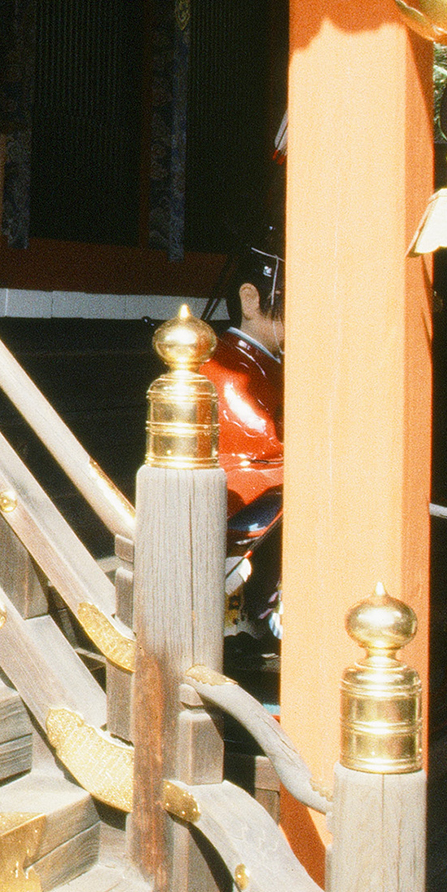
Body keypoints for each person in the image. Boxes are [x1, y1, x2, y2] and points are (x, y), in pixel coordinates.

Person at [203, 247, 285, 660]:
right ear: (250, 299)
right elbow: (263, 439)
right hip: (241, 499)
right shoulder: (226, 364)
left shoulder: (272, 362)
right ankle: (270, 616)